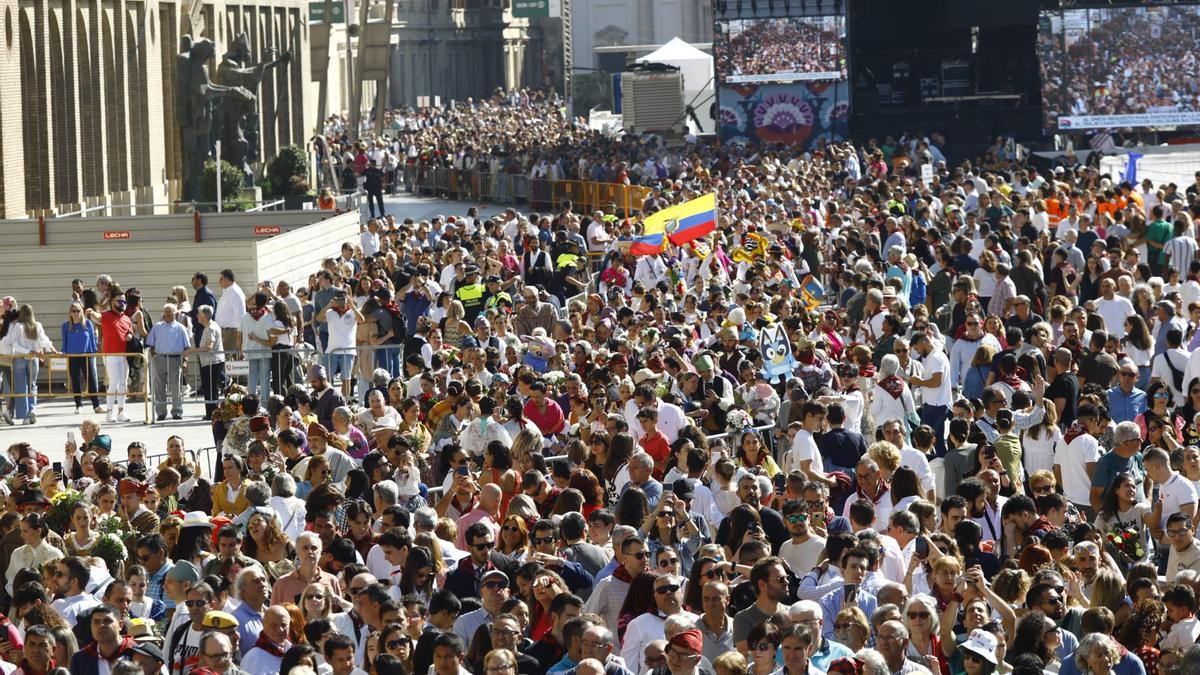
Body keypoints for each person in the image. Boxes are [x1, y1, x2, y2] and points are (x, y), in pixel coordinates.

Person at [0, 304, 57, 424]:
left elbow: (14, 344)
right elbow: (45, 340)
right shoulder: (38, 325)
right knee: (32, 385)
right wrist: (53, 350)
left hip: (20, 358)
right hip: (34, 359)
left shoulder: (17, 326)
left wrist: (27, 351)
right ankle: (33, 410)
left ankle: (25, 416)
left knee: (21, 387)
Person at [147, 302, 193, 421]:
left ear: (175, 312)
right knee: (159, 387)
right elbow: (151, 344)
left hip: (175, 359)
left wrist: (185, 361)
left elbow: (187, 347)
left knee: (175, 387)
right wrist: (154, 357)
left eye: (170, 311)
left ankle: (177, 411)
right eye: (166, 311)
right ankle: (161, 412)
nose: (168, 313)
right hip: (160, 359)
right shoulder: (157, 326)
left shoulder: (181, 327)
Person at [62, 301, 104, 414]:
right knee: (75, 380)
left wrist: (94, 350)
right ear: (70, 313)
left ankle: (96, 405)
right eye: (73, 311)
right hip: (72, 355)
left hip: (86, 354)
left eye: (78, 311)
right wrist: (64, 352)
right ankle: (78, 405)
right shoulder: (66, 325)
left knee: (91, 380)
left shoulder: (88, 323)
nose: (76, 313)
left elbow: (92, 338)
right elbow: (64, 341)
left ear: (82, 311)